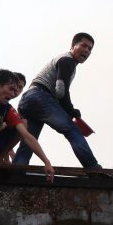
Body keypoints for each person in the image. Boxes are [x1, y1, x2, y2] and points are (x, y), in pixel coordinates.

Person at [12, 32, 101, 169]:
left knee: (29, 140)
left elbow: (60, 91)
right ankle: (93, 169)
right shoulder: (67, 60)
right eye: (83, 46)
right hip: (40, 96)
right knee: (72, 130)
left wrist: (70, 110)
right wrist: (71, 110)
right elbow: (61, 90)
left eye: (90, 49)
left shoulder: (65, 61)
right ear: (72, 45)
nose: (86, 51)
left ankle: (17, 170)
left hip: (28, 99)